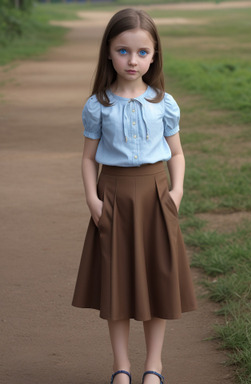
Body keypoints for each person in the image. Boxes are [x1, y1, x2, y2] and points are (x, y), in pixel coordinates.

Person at [72, 8, 197, 384]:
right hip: (113, 199)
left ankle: (153, 366)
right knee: (118, 284)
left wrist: (175, 193)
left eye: (142, 52)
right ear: (108, 52)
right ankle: (121, 366)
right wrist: (93, 201)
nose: (133, 60)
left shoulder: (164, 102)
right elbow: (88, 159)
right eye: (123, 50)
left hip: (156, 198)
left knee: (158, 281)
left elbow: (176, 153)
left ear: (155, 54)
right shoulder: (99, 104)